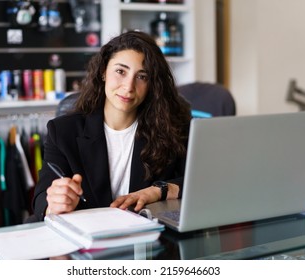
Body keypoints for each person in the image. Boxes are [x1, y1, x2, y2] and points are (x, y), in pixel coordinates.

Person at [31, 30, 191, 222]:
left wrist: (158, 191)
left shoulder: (171, 129)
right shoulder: (63, 131)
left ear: (152, 85)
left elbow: (199, 181)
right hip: (87, 241)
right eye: (120, 71)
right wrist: (54, 204)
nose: (128, 87)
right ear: (103, 72)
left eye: (142, 76)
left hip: (147, 244)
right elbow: (41, 198)